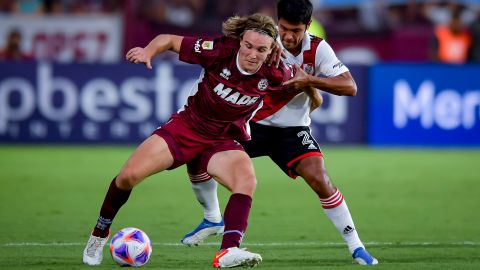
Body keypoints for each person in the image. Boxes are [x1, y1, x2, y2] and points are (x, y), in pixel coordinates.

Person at [82, 13, 299, 268]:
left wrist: (309, 107)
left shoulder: (279, 72)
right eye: (248, 46)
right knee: (127, 177)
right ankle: (99, 234)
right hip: (187, 127)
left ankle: (228, 250)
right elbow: (168, 40)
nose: (252, 54)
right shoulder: (219, 51)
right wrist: (148, 51)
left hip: (223, 138)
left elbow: (305, 86)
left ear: (272, 49)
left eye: (261, 49)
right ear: (240, 41)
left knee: (246, 180)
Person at [181, 0, 378, 266]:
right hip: (251, 124)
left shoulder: (318, 49)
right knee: (197, 152)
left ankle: (356, 247)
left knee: (320, 178)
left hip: (292, 130)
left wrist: (308, 80)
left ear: (307, 26)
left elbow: (350, 86)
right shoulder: (264, 41)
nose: (287, 36)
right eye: (283, 28)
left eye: (295, 30)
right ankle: (213, 217)